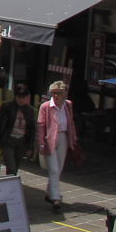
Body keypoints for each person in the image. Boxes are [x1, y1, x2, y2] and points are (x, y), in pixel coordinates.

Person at [37, 80, 79, 213]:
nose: (55, 96)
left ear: (64, 94)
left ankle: (49, 193)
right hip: (50, 139)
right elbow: (40, 126)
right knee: (54, 169)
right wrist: (41, 143)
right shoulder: (45, 107)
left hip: (63, 137)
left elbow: (70, 122)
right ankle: (55, 198)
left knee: (59, 168)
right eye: (53, 93)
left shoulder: (68, 105)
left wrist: (73, 138)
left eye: (58, 93)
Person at [0, 83, 37, 175]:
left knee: (15, 168)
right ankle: (8, 184)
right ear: (15, 96)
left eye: (23, 97)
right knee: (11, 168)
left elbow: (32, 129)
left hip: (21, 142)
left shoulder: (30, 110)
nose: (21, 100)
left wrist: (30, 147)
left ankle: (9, 186)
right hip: (8, 140)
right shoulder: (7, 107)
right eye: (19, 97)